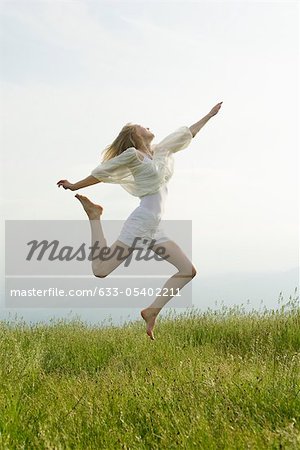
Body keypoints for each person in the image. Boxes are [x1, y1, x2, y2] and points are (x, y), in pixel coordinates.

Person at [57, 101, 223, 339]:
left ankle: (152, 311)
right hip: (142, 221)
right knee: (100, 270)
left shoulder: (161, 151)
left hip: (154, 226)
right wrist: (75, 185)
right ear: (135, 136)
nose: (147, 126)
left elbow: (188, 134)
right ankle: (94, 216)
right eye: (142, 126)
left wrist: (209, 115)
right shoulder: (133, 155)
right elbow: (103, 172)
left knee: (187, 270)